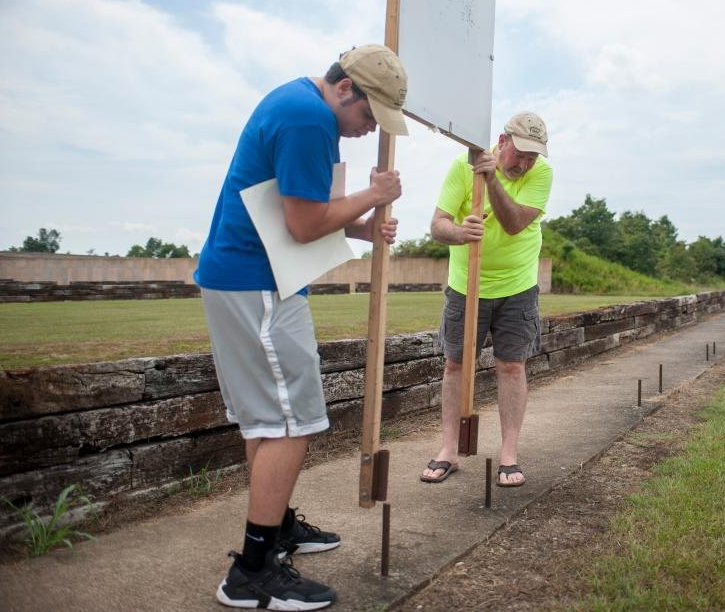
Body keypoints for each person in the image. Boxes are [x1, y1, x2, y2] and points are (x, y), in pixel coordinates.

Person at [194, 44, 408, 610]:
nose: (367, 131)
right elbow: (305, 223)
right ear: (345, 90)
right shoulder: (308, 118)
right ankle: (254, 571)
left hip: (246, 275)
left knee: (270, 420)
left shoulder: (298, 101)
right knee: (297, 421)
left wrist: (360, 227)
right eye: (368, 117)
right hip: (257, 282)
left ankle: (276, 527)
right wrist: (376, 194)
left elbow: (297, 211)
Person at [420, 112, 552, 488]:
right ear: (501, 140)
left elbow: (513, 223)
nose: (524, 163)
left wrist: (493, 177)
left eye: (532, 157)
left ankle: (509, 453)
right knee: (455, 366)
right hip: (466, 285)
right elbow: (437, 224)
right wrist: (460, 233)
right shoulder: (461, 170)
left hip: (517, 285)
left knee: (512, 366)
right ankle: (449, 450)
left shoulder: (540, 174)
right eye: (519, 154)